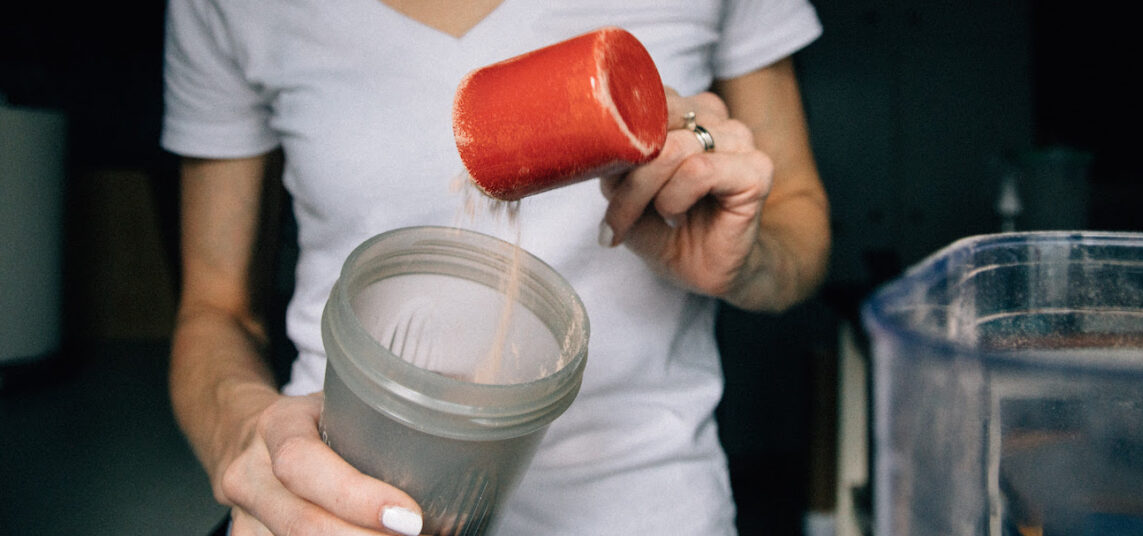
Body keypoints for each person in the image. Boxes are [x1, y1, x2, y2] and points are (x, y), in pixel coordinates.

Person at [161, 1, 831, 534]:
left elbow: (800, 228)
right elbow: (214, 310)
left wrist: (742, 263)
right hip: (348, 501)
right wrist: (252, 437)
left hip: (647, 503)